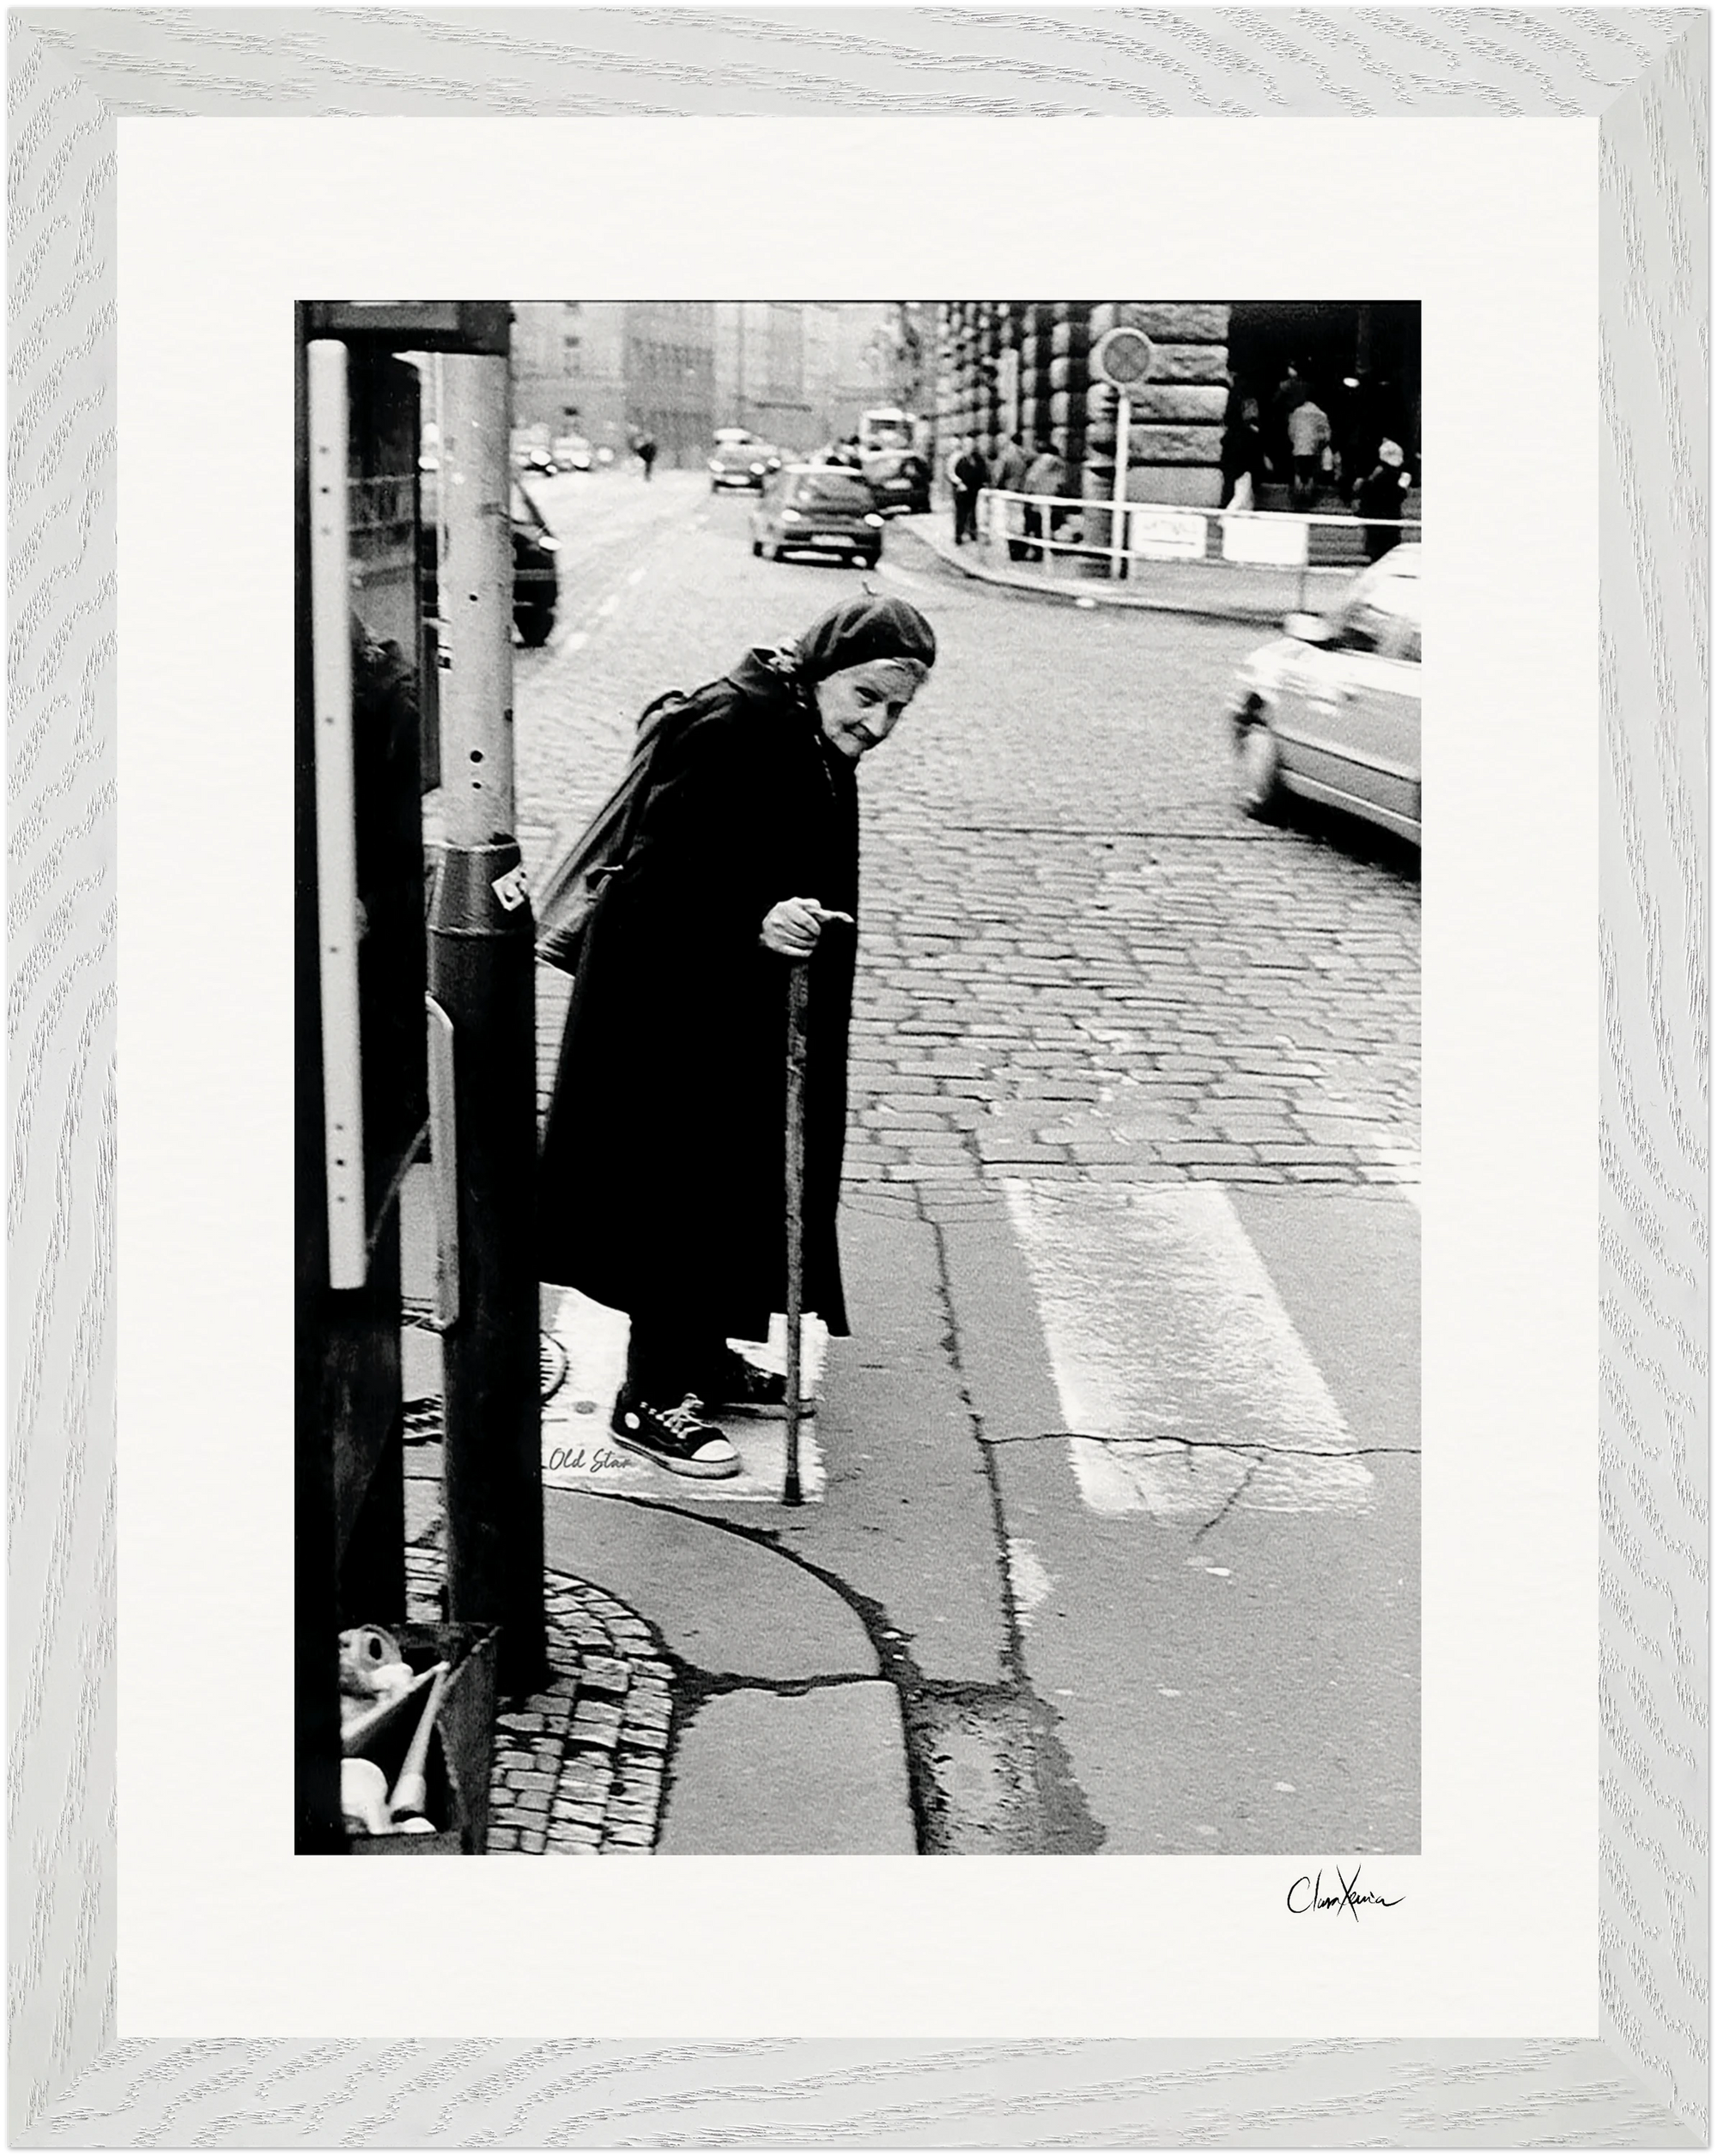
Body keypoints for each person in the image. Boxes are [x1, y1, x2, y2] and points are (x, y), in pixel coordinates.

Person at [537, 594, 938, 1479]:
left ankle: (704, 1356)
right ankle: (649, 1397)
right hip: (673, 1014)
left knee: (738, 1179)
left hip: (744, 1005)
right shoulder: (729, 726)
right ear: (821, 669)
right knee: (683, 1187)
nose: (875, 723)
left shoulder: (800, 726)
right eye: (866, 696)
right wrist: (752, 925)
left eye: (895, 711)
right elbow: (649, 888)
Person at [1354, 438, 1413, 561]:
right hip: (1386, 519)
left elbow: (1363, 492)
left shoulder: (1376, 476)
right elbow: (1397, 496)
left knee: (1377, 551)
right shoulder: (1395, 477)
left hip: (1377, 519)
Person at [1022, 439, 1071, 563]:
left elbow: (1031, 480)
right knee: (1047, 526)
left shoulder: (1041, 463)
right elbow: (1062, 483)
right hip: (1053, 500)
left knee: (1035, 527)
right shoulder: (1060, 464)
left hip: (1037, 500)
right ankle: (1045, 548)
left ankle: (1037, 552)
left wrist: (1027, 494)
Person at [1286, 392, 1331, 506]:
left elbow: (1291, 432)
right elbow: (1327, 436)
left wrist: (1296, 442)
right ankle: (1308, 500)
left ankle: (1298, 500)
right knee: (1310, 475)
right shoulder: (1321, 414)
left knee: (1298, 474)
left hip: (1298, 449)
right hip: (1313, 450)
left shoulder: (1296, 413)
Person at [991, 432, 1030, 558]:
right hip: (1023, 492)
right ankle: (1020, 549)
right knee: (1020, 523)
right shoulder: (1026, 455)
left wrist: (996, 486)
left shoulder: (1006, 455)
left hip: (1009, 492)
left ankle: (1014, 551)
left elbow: (998, 475)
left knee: (1010, 523)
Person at [948, 437, 988, 546]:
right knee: (961, 514)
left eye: (970, 445)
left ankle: (972, 533)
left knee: (973, 513)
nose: (968, 448)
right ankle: (958, 535)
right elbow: (952, 473)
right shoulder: (960, 459)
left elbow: (983, 472)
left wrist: (983, 483)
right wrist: (959, 483)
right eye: (966, 445)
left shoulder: (978, 459)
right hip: (962, 491)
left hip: (974, 490)